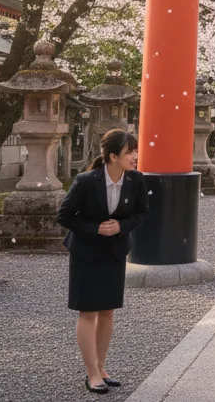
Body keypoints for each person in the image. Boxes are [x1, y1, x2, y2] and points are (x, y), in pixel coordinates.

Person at [57, 129, 148, 395]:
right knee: (88, 312)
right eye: (130, 152)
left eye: (135, 150)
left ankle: (101, 367)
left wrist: (120, 226)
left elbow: (142, 213)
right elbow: (64, 215)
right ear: (112, 156)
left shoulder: (136, 181)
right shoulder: (86, 181)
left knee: (107, 311)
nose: (135, 156)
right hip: (86, 252)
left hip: (114, 252)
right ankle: (92, 373)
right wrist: (95, 228)